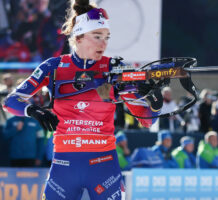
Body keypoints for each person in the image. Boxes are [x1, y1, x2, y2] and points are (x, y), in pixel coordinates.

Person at [3, 0, 163, 199]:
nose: (103, 43)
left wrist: (152, 96)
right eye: (97, 37)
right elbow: (10, 102)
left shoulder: (114, 70)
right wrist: (32, 111)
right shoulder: (53, 66)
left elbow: (148, 120)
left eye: (107, 37)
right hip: (64, 166)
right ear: (78, 38)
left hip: (104, 166)